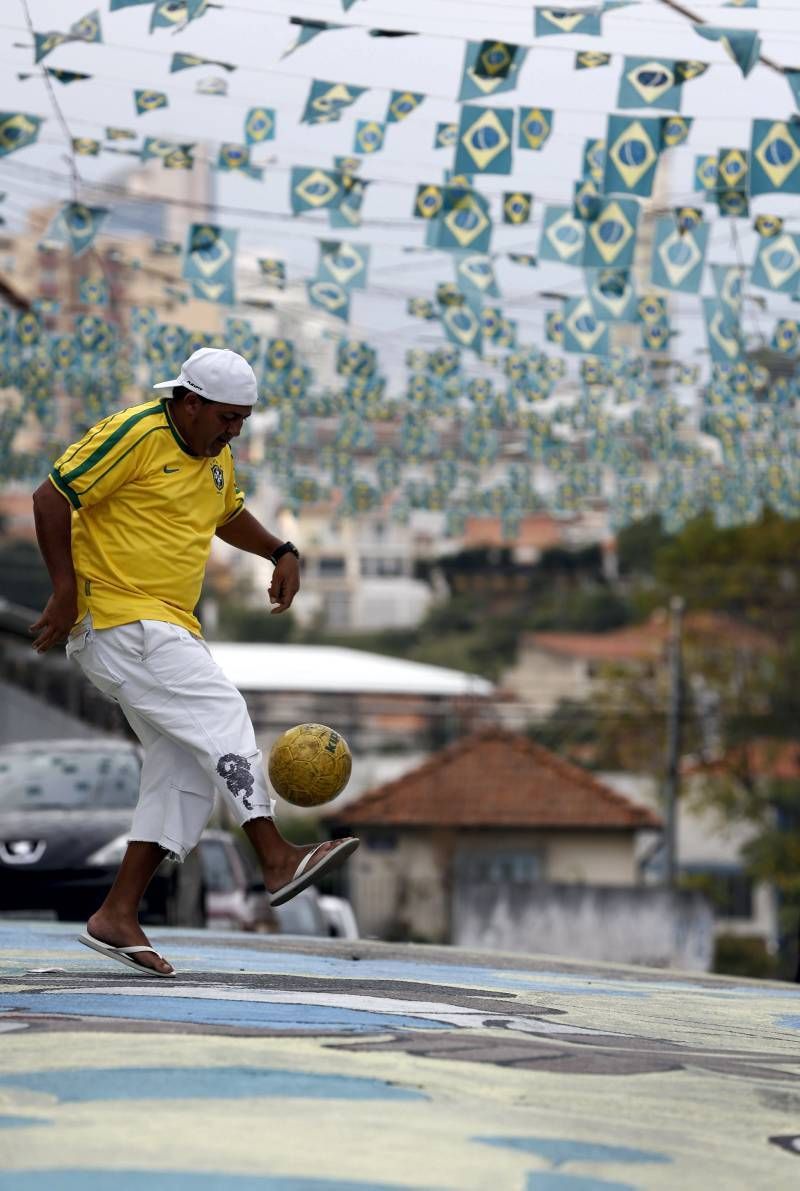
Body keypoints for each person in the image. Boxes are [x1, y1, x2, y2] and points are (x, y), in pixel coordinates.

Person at [30, 347, 359, 977]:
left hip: (165, 624)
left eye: (243, 421)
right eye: (226, 417)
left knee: (183, 762)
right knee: (220, 710)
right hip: (120, 618)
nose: (234, 430)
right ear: (189, 402)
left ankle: (117, 913)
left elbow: (226, 513)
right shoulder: (137, 434)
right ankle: (274, 856)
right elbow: (50, 498)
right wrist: (65, 589)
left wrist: (279, 550)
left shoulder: (216, 455)